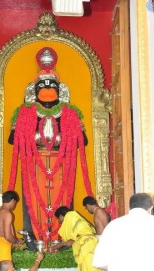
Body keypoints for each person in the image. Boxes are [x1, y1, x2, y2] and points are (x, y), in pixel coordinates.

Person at [7, 47, 93, 244]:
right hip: (33, 164)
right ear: (33, 91)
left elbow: (83, 142)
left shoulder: (68, 113)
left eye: (52, 85)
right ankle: (34, 238)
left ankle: (61, 239)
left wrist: (69, 133)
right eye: (42, 85)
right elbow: (13, 140)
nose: (47, 89)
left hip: (62, 162)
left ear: (59, 90)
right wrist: (27, 130)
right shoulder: (26, 112)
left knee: (63, 199)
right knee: (33, 202)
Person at [0, 191, 24, 271]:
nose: (14, 205)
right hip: (2, 249)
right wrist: (17, 241)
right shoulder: (7, 214)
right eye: (15, 203)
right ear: (13, 201)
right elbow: (7, 236)